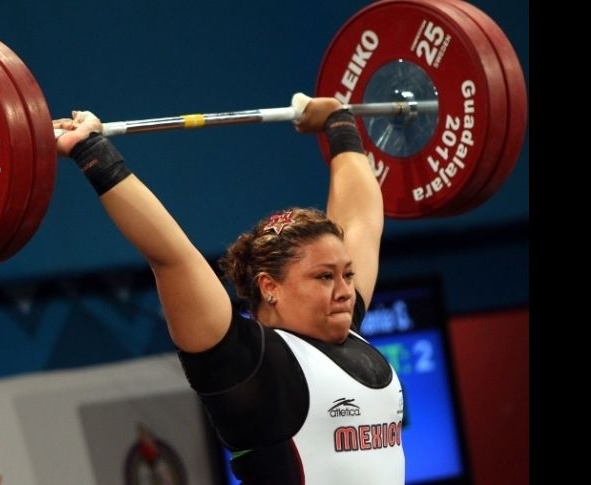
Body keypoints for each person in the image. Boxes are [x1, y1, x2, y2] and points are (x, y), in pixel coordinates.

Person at [53, 95, 404, 485]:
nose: (344, 290)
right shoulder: (245, 364)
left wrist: (339, 123)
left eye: (348, 275)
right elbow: (172, 256)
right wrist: (91, 150)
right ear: (270, 287)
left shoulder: (344, 323)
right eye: (324, 277)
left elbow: (362, 221)